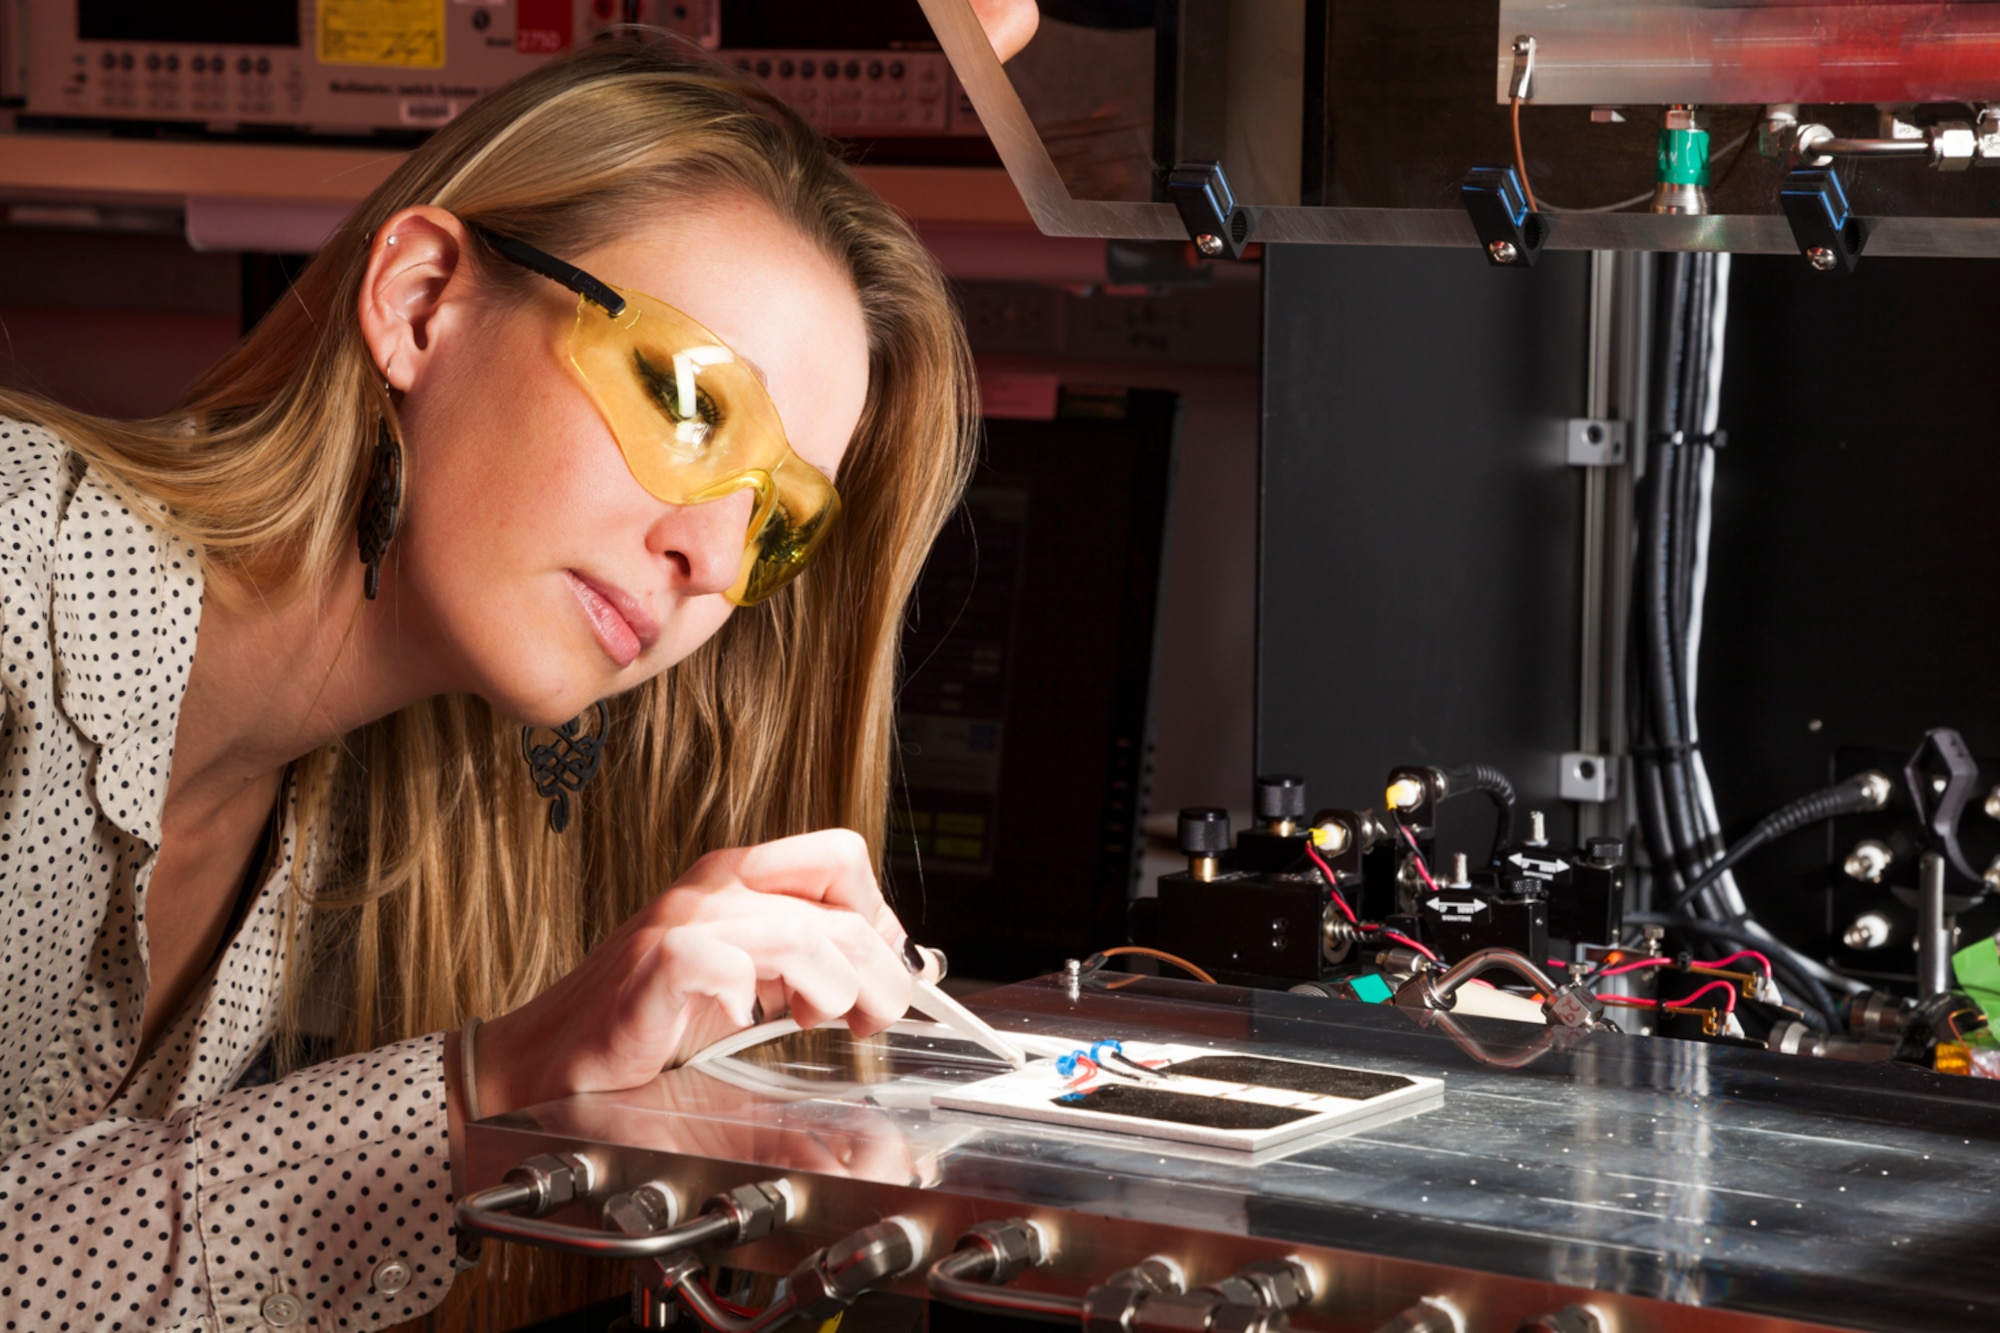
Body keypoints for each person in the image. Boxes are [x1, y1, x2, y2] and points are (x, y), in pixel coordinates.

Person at [0, 36, 977, 1329]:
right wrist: (491, 1082)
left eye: (778, 520)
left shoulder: (307, 823)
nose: (717, 560)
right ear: (418, 303)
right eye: (689, 403)